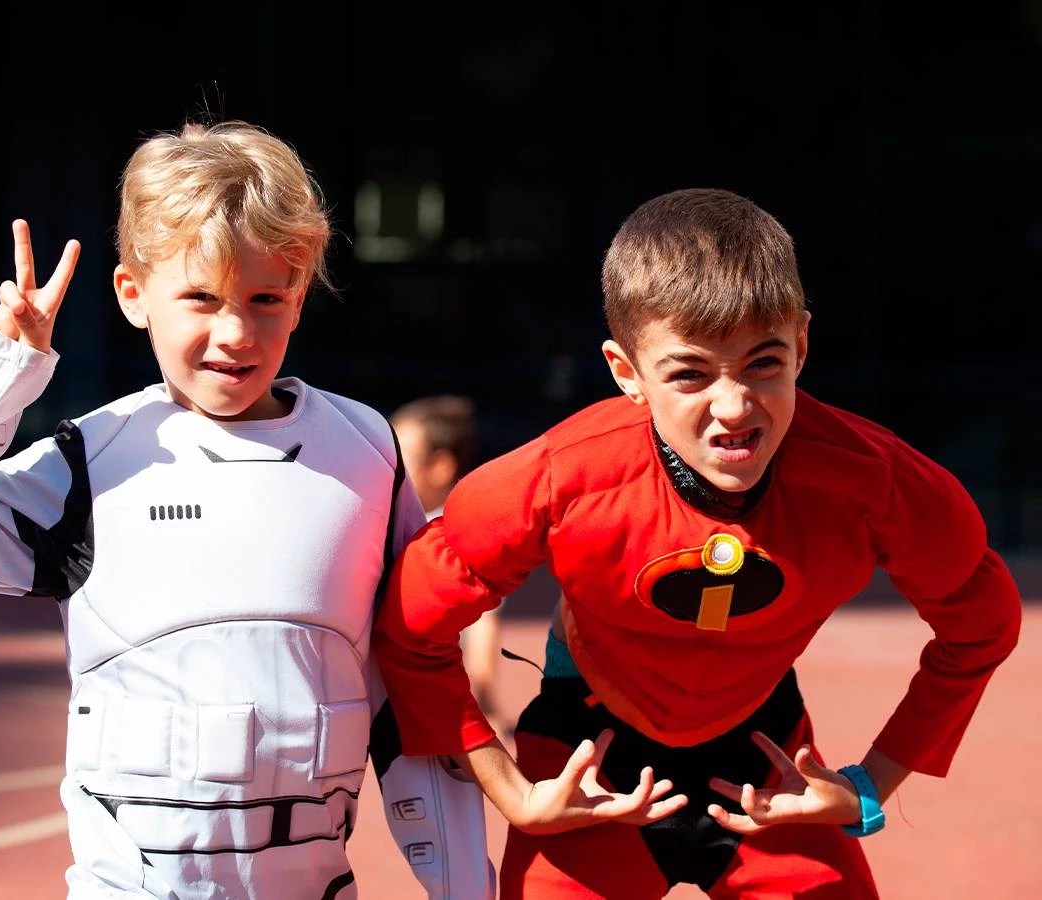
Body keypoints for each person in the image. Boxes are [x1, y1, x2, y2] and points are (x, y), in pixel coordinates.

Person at [0, 120, 493, 900]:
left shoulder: (365, 450)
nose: (235, 332)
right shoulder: (93, 457)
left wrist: (460, 882)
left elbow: (410, 680)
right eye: (200, 297)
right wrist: (4, 364)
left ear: (301, 298)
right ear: (133, 294)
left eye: (268, 297)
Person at [372, 187, 1023, 898]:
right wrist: (510, 790)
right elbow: (411, 625)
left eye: (764, 362)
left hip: (770, 766)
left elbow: (982, 623)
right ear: (627, 373)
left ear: (802, 345)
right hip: (587, 758)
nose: (735, 407)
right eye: (688, 373)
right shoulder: (558, 478)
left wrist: (871, 785)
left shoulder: (877, 482)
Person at [390, 395, 505, 727]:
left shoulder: (459, 535)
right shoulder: (388, 519)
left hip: (433, 694)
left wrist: (481, 691)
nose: (390, 463)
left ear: (439, 468)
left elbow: (483, 620)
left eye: (402, 455)